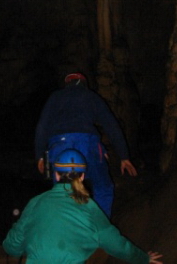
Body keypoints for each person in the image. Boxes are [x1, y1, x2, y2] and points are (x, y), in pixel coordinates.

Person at [3, 149, 162, 264]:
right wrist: (143, 258)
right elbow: (116, 244)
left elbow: (12, 246)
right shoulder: (89, 206)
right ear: (83, 176)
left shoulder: (36, 202)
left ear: (56, 175)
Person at [35, 72, 137, 217]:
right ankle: (99, 227)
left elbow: (42, 126)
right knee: (103, 186)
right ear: (84, 84)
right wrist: (124, 156)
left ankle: (65, 228)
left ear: (67, 84)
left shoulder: (56, 97)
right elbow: (111, 125)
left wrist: (39, 155)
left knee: (62, 189)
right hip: (88, 142)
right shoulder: (92, 97)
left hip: (59, 144)